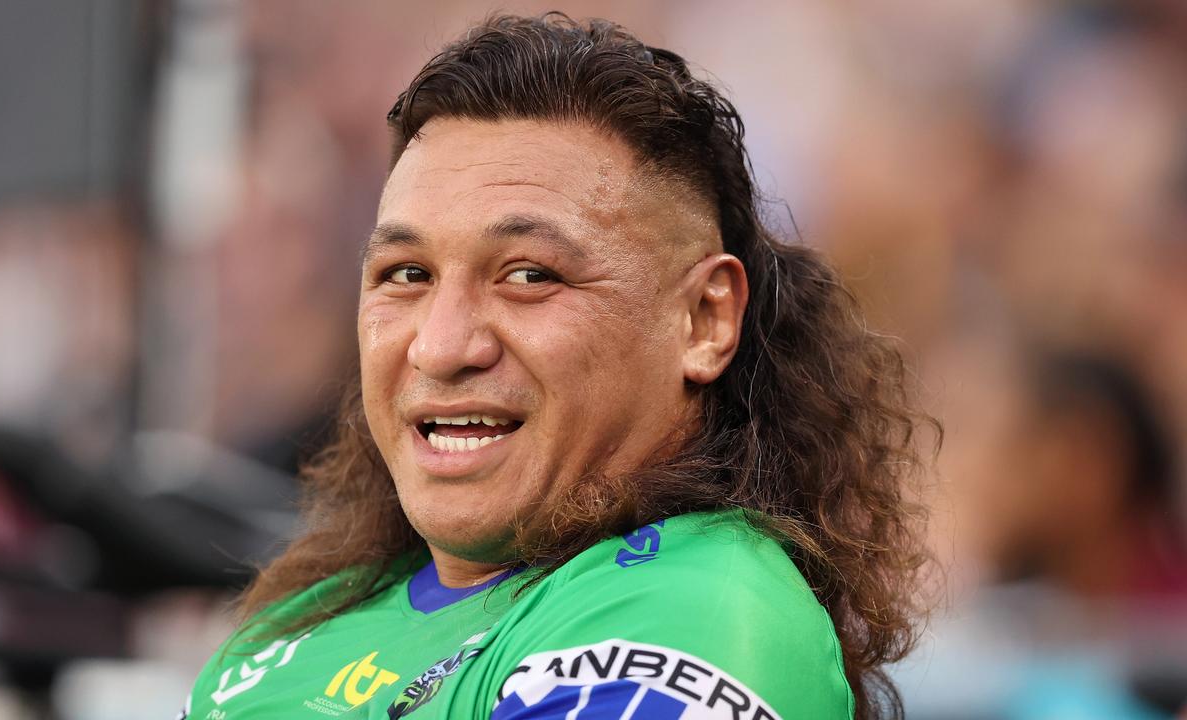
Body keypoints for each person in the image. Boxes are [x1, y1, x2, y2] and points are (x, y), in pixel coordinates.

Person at [181, 13, 933, 720]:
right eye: (406, 274)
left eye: (530, 275)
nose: (440, 347)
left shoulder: (697, 608)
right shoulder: (297, 622)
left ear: (704, 321)